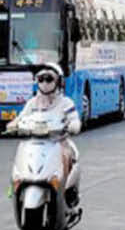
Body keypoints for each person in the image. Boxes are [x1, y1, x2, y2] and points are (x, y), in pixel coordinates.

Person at [19, 64, 82, 198]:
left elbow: (74, 118)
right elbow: (21, 117)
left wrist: (73, 125)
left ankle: (66, 190)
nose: (45, 83)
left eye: (49, 79)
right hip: (34, 142)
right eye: (41, 79)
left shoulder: (65, 102)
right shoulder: (32, 103)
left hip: (58, 141)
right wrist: (14, 124)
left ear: (58, 81)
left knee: (68, 155)